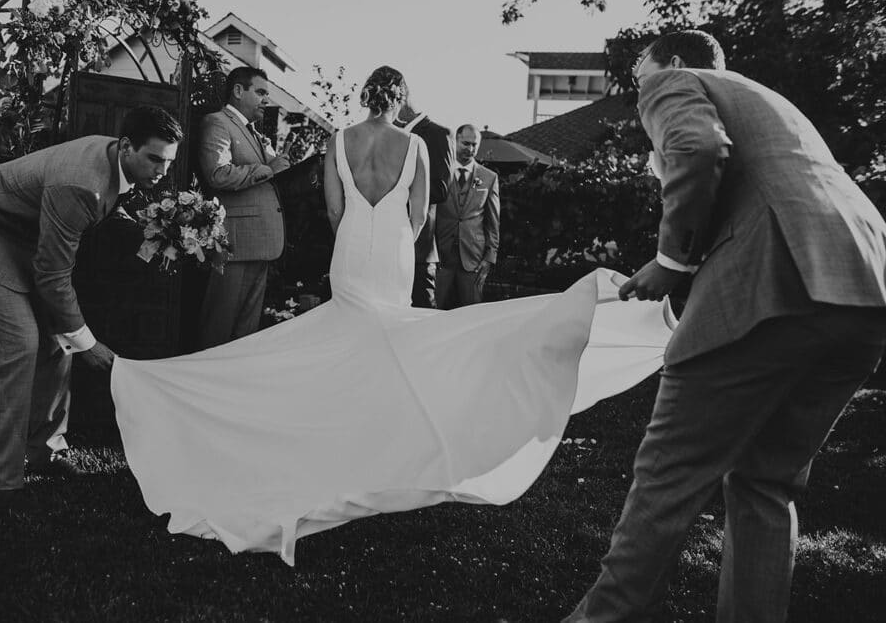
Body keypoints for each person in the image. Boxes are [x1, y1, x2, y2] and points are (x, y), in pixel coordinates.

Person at [110, 66, 674, 565]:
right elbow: (420, 215)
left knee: (344, 333)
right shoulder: (417, 145)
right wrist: (396, 241)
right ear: (398, 99)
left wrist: (353, 233)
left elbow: (332, 206)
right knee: (390, 339)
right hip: (395, 250)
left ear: (364, 97)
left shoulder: (339, 140)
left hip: (352, 245)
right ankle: (380, 433)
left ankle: (334, 421)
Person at [563, 30, 886, 622]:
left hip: (769, 285)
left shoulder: (675, 84)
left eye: (641, 69)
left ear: (676, 61)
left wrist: (671, 262)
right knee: (766, 483)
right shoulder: (771, 103)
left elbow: (697, 147)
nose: (639, 82)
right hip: (863, 290)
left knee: (667, 475)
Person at [0, 106, 183, 511]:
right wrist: (89, 344)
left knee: (58, 342)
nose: (162, 172)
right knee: (20, 346)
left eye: (169, 162)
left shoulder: (115, 160)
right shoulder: (83, 184)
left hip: (21, 242)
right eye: (154, 159)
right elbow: (52, 275)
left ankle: (46, 452)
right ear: (127, 146)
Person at [195, 66, 292, 349]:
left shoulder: (254, 132)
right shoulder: (217, 122)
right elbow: (217, 174)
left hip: (260, 241)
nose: (266, 100)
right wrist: (266, 169)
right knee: (219, 329)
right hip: (235, 244)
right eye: (260, 92)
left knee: (245, 333)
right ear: (238, 91)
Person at [395, 87, 453, 308]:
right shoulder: (389, 135)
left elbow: (441, 190)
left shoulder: (438, 134)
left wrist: (397, 191)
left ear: (403, 99)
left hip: (420, 248)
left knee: (421, 318)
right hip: (388, 241)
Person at [435, 124, 500, 309]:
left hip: (474, 258)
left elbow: (493, 221)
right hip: (441, 255)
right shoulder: (440, 172)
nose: (470, 149)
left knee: (471, 311)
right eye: (465, 143)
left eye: (474, 145)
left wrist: (489, 257)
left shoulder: (489, 178)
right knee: (432, 310)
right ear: (455, 140)